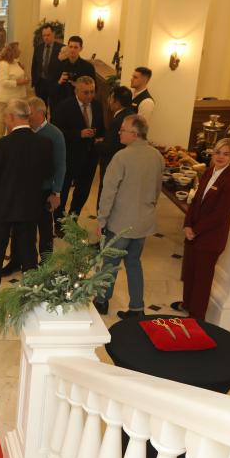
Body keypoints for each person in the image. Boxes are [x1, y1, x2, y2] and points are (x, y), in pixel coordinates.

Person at [0, 99, 52, 311]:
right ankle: (32, 297)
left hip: (2, 208)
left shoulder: (2, 145)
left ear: (11, 117)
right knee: (29, 254)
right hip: (29, 208)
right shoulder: (44, 143)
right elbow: (47, 173)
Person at [93, 115, 164, 319]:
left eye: (122, 129)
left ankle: (101, 301)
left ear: (134, 134)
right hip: (143, 223)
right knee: (134, 262)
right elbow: (157, 189)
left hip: (121, 224)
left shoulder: (121, 157)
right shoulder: (157, 156)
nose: (119, 132)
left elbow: (108, 192)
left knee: (110, 263)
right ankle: (137, 308)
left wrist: (101, 219)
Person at [171, 138, 230, 320]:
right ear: (213, 153)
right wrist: (187, 224)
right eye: (218, 152)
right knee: (189, 272)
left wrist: (196, 230)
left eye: (226, 154)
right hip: (193, 232)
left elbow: (221, 214)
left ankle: (196, 316)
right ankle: (187, 304)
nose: (221, 157)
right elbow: (195, 200)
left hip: (211, 238)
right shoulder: (209, 172)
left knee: (202, 278)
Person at [2, 96, 66, 276]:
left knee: (44, 228)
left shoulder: (55, 134)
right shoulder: (24, 131)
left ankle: (46, 264)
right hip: (22, 190)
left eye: (29, 112)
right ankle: (16, 261)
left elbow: (60, 165)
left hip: (44, 191)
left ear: (40, 113)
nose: (27, 116)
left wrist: (56, 192)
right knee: (18, 226)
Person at [52, 76, 105, 227]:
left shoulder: (97, 106)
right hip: (69, 156)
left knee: (82, 191)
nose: (90, 96)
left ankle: (73, 220)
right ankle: (59, 223)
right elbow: (57, 132)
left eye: (92, 92)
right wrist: (78, 134)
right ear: (76, 91)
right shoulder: (64, 107)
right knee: (63, 190)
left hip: (90, 156)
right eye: (86, 92)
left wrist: (100, 138)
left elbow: (101, 128)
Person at [96, 86, 136, 211]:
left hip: (112, 163)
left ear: (117, 102)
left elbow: (109, 147)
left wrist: (97, 143)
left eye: (111, 98)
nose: (109, 100)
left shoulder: (118, 120)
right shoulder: (132, 115)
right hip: (127, 163)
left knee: (108, 193)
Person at [0, 42, 29, 137]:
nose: (20, 51)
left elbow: (21, 76)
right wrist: (18, 82)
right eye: (18, 49)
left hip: (18, 96)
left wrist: (23, 71)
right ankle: (1, 139)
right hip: (6, 98)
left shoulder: (15, 62)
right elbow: (3, 82)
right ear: (12, 51)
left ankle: (11, 138)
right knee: (4, 120)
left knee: (14, 120)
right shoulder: (3, 64)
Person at [51, 35, 96, 106]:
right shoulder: (59, 65)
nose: (72, 50)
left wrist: (80, 86)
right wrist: (60, 81)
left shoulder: (88, 67)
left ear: (81, 49)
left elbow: (94, 89)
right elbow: (52, 87)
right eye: (71, 47)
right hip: (62, 102)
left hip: (81, 104)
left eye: (75, 47)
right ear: (68, 47)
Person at [31, 24, 63, 111]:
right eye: (44, 35)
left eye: (48, 35)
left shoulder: (61, 48)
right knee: (41, 108)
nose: (46, 38)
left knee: (55, 107)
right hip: (40, 83)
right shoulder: (38, 48)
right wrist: (34, 83)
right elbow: (34, 65)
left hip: (54, 83)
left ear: (53, 34)